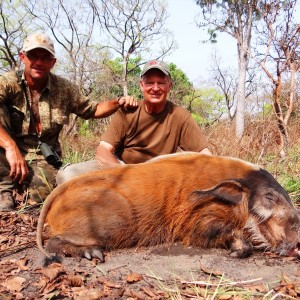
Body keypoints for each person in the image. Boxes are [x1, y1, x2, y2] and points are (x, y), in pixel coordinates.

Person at [0, 32, 137, 211]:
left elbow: (93, 109)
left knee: (40, 196)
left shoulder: (64, 88)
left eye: (45, 57)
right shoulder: (8, 82)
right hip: (6, 151)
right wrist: (10, 146)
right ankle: (4, 190)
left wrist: (119, 102)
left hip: (42, 157)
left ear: (53, 62)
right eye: (33, 56)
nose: (39, 62)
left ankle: (24, 189)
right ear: (23, 57)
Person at [57, 59, 212, 184]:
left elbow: (205, 155)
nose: (155, 88)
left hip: (159, 176)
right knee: (68, 175)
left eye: (161, 82)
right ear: (141, 85)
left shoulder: (180, 116)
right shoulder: (128, 110)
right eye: (150, 82)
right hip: (121, 170)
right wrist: (126, 176)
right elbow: (103, 151)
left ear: (169, 85)